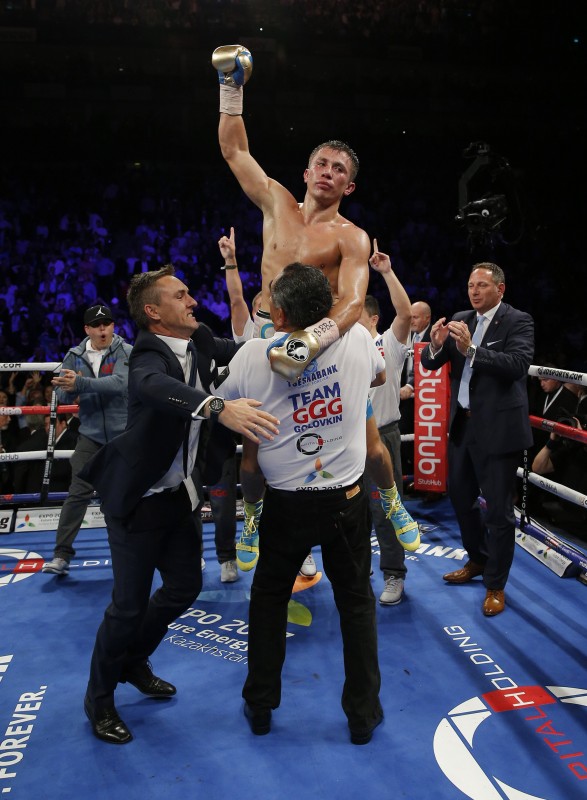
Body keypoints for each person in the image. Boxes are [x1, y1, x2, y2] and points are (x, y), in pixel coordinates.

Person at [213, 46, 418, 568]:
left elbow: (352, 300)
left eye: (339, 169)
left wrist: (313, 341)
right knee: (255, 447)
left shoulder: (352, 236)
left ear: (350, 185)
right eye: (321, 164)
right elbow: (234, 151)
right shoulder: (275, 202)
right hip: (268, 331)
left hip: (326, 336)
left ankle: (391, 500)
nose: (328, 172)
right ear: (306, 172)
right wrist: (231, 88)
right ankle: (254, 514)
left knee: (371, 444)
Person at [78, 264, 280, 745]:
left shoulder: (200, 339)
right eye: (181, 295)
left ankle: (133, 662)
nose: (193, 301)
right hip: (138, 499)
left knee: (184, 587)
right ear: (153, 312)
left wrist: (304, 339)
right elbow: (154, 387)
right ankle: (98, 698)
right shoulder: (146, 355)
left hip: (180, 495)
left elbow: (246, 350)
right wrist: (218, 407)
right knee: (127, 607)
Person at [216, 262, 385, 745]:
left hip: (285, 504)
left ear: (279, 313)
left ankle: (260, 705)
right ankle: (362, 715)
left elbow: (223, 405)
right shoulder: (357, 338)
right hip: (346, 500)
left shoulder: (253, 355)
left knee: (269, 601)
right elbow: (378, 377)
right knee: (356, 604)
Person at [420, 262, 534, 616]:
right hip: (464, 427)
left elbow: (517, 365)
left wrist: (471, 350)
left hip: (499, 431)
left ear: (500, 289)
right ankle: (478, 559)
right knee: (460, 497)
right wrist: (435, 345)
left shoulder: (518, 321)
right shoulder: (460, 318)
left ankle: (495, 584)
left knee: (498, 511)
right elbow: (431, 363)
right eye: (471, 284)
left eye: (482, 285)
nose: (474, 291)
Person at [42, 304, 133, 576]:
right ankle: (61, 555)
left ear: (113, 326)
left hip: (122, 436)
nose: (103, 329)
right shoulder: (74, 356)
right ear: (87, 329)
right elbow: (63, 395)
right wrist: (69, 387)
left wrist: (81, 384)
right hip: (90, 437)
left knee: (130, 494)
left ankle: (136, 551)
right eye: (97, 325)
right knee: (77, 494)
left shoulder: (126, 351)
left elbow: (120, 384)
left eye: (107, 324)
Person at [359, 245, 413, 605]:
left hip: (384, 434)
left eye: (357, 316)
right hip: (350, 439)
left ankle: (394, 574)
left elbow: (405, 314)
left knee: (386, 510)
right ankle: (358, 569)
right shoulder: (342, 348)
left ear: (373, 318)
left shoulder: (387, 344)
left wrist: (386, 273)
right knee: (353, 511)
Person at [399, 301, 432, 484]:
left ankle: (425, 482)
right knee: (404, 435)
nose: (411, 320)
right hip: (407, 398)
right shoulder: (408, 335)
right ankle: (409, 480)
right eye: (410, 316)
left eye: (416, 317)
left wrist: (410, 386)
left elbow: (425, 366)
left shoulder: (435, 337)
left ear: (427, 318)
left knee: (425, 439)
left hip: (428, 398)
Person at [13, 413, 78, 495]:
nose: (48, 428)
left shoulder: (73, 441)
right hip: (54, 493)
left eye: (52, 424)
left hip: (64, 493)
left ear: (63, 424)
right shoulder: (46, 442)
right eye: (46, 424)